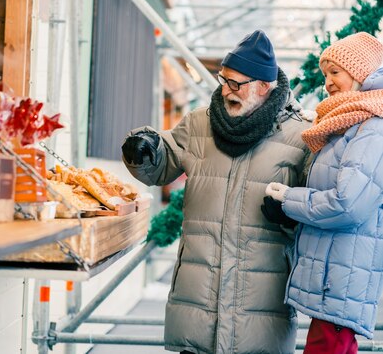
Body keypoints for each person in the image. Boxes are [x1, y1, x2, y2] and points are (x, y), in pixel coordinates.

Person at [122, 30, 312, 354]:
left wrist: (292, 212)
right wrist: (144, 149)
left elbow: (319, 204)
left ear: (264, 87)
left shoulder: (301, 136)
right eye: (224, 79)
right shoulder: (200, 124)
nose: (226, 90)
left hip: (260, 314)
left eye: (236, 84)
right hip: (197, 307)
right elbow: (165, 157)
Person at [265, 31, 383, 354]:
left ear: (360, 74)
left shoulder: (372, 128)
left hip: (342, 281)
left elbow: (348, 204)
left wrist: (289, 200)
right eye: (325, 74)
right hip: (335, 279)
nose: (327, 82)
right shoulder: (347, 122)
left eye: (335, 72)